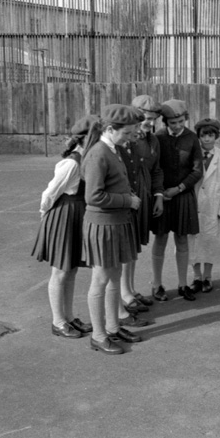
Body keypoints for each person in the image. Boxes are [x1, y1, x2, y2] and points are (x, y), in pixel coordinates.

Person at [82, 104, 144, 355]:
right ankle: (98, 336)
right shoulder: (99, 153)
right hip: (103, 225)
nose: (130, 138)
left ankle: (112, 327)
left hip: (116, 222)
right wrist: (127, 201)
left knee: (114, 277)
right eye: (127, 133)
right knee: (100, 280)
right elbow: (93, 196)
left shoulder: (113, 149)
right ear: (109, 129)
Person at [31, 115, 97, 340]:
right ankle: (58, 321)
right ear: (84, 138)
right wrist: (46, 217)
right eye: (95, 136)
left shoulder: (89, 159)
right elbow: (49, 193)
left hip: (78, 216)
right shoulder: (72, 163)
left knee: (72, 269)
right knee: (60, 271)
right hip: (64, 216)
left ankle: (69, 317)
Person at [150, 99, 203, 302]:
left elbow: (198, 170)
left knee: (182, 239)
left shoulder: (192, 139)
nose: (178, 126)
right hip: (162, 196)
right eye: (173, 122)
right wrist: (161, 193)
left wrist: (179, 188)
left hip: (183, 195)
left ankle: (182, 284)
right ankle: (157, 285)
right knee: (161, 238)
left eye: (181, 121)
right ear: (165, 122)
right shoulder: (158, 138)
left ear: (185, 119)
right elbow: (155, 168)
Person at [117, 95, 165, 316]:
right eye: (146, 118)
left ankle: (130, 288)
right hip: (130, 193)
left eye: (153, 119)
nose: (150, 123)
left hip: (145, 193)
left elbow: (156, 169)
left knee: (135, 245)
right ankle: (124, 293)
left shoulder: (152, 139)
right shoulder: (128, 140)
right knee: (126, 246)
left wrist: (157, 195)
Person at [189, 118, 220, 293]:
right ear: (198, 137)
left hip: (213, 207)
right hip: (195, 205)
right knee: (192, 241)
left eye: (210, 135)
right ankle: (196, 277)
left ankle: (207, 276)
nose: (207, 139)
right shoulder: (194, 154)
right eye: (203, 135)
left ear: (216, 136)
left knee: (209, 242)